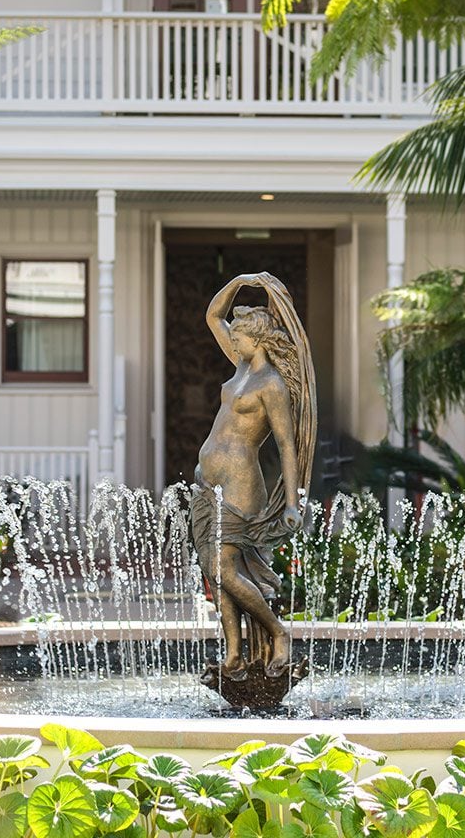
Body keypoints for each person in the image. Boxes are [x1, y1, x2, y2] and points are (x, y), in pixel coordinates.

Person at [191, 272, 315, 681]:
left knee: (223, 567)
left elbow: (286, 445)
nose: (233, 342)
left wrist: (293, 502)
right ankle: (233, 653)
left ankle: (278, 633)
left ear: (258, 340)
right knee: (214, 570)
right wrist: (240, 281)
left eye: (240, 338)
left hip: (241, 484)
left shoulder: (272, 384)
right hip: (208, 484)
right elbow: (213, 316)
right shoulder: (242, 366)